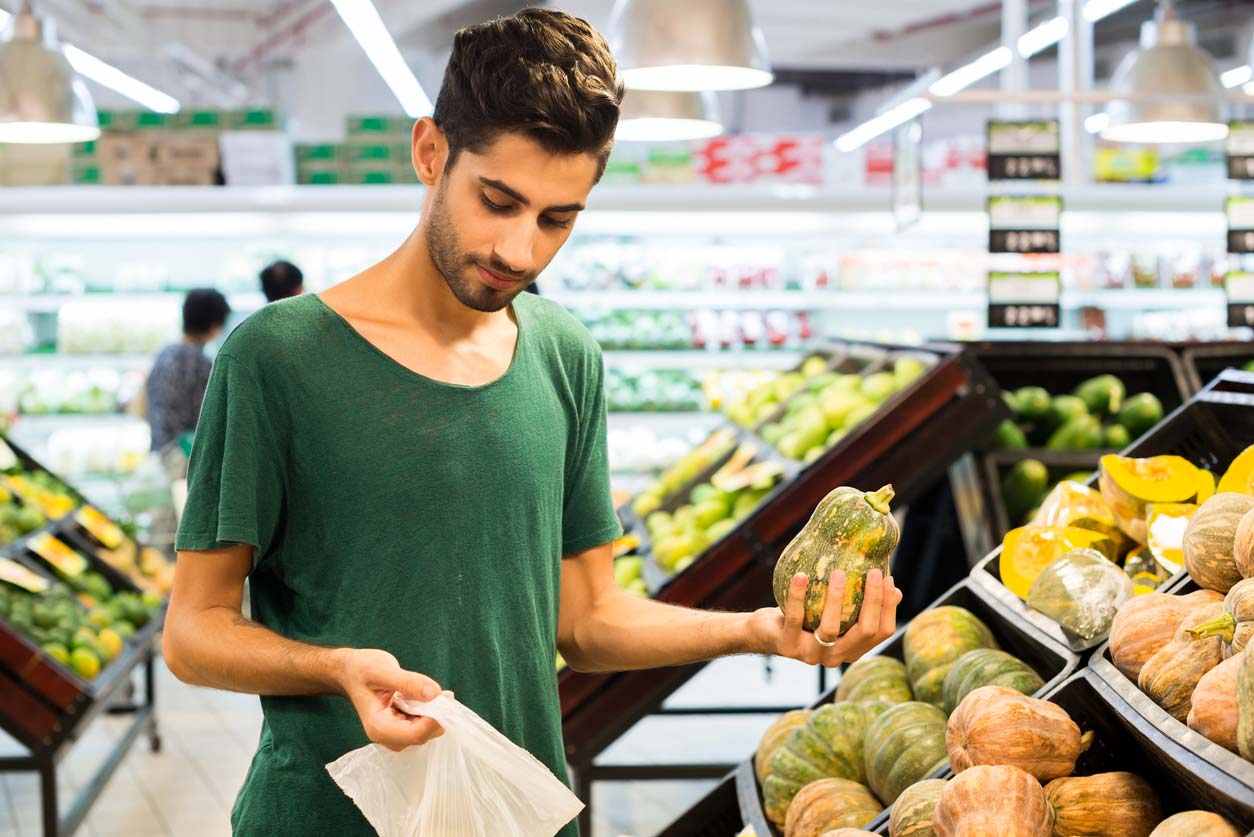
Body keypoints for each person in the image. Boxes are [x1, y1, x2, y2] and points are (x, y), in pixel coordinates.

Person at [162, 10, 902, 836]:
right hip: (325, 816)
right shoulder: (277, 357)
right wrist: (335, 668)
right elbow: (193, 630)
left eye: (558, 219)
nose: (519, 249)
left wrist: (760, 630)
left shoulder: (564, 354)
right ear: (430, 152)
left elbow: (586, 621)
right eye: (499, 200)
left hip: (520, 812)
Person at [144, 288, 230, 451]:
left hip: (160, 450)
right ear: (215, 324)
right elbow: (206, 421)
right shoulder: (202, 364)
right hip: (187, 457)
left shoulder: (164, 353)